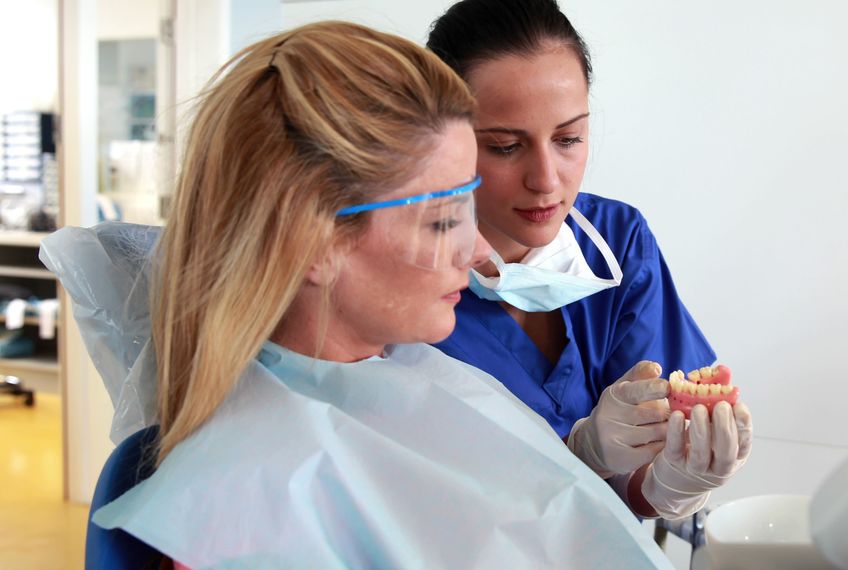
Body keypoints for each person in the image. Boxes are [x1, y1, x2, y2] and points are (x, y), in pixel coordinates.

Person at [48, 21, 672, 568]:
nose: (479, 253)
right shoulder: (251, 506)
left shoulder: (407, 380)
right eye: (442, 220)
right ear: (314, 240)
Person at [426, 0, 753, 520]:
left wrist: (674, 479)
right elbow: (412, 501)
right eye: (507, 146)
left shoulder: (619, 242)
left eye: (569, 139)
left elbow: (635, 488)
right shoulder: (403, 284)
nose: (547, 180)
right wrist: (577, 455)